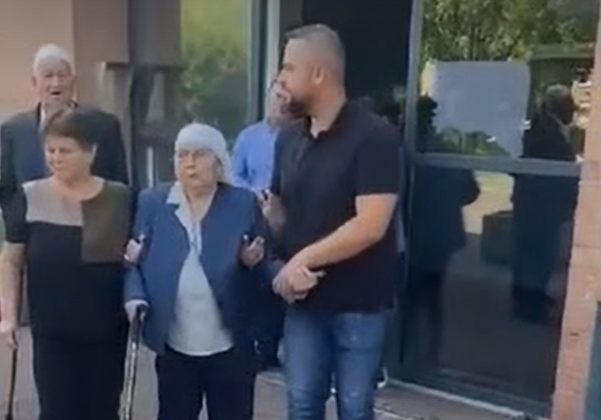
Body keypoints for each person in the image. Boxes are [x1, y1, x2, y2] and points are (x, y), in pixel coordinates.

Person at [268, 24, 401, 420]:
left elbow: (371, 224)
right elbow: (279, 211)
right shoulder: (288, 139)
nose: (280, 79)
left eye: (289, 68)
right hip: (303, 305)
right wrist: (275, 261)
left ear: (318, 73)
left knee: (354, 409)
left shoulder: (375, 136)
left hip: (360, 304)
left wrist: (303, 259)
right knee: (302, 404)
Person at [123, 123, 276, 420]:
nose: (189, 163)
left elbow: (267, 264)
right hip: (175, 344)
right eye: (182, 155)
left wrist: (250, 263)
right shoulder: (153, 202)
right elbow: (132, 262)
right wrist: (134, 297)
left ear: (218, 162)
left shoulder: (242, 203)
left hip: (230, 345)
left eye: (200, 154)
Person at [0, 108, 131, 420]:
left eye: (66, 151)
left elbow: (133, 254)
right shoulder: (29, 197)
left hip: (105, 327)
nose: (56, 158)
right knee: (56, 410)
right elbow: (11, 260)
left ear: (90, 153)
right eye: (51, 150)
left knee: (102, 410)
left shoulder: (119, 198)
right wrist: (8, 315)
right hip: (51, 328)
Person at [0, 43, 128, 210]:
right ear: (35, 82)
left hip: (91, 220)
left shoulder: (104, 125)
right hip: (32, 222)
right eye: (48, 76)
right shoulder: (13, 130)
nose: (56, 84)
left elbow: (120, 185)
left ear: (73, 81)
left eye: (62, 76)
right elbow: (7, 190)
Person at [231, 80, 290, 193]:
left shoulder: (304, 138)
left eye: (287, 99)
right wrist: (254, 193)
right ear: (268, 99)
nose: (282, 103)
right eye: (278, 96)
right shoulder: (248, 137)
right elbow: (234, 175)